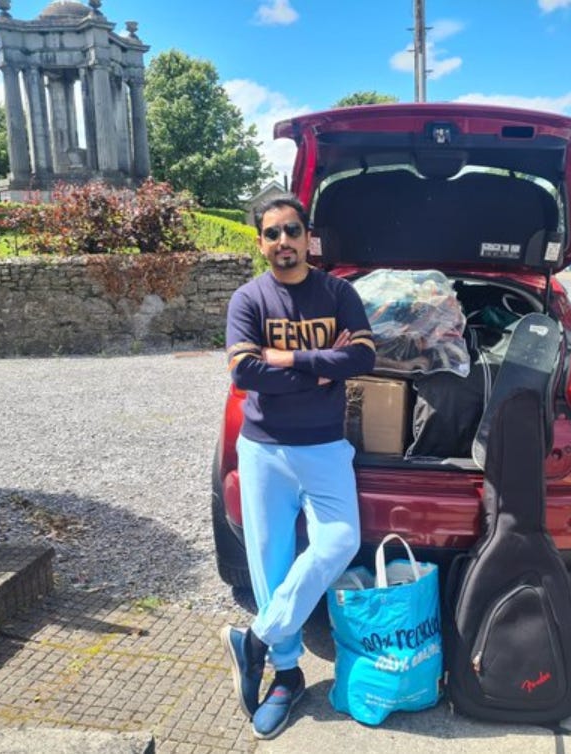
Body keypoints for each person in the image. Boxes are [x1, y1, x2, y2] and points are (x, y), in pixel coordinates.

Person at [222, 194, 376, 739]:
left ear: (309, 237)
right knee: (270, 564)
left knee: (340, 540)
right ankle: (286, 675)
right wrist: (321, 369)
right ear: (260, 242)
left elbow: (362, 356)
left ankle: (254, 640)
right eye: (272, 233)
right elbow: (245, 372)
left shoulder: (338, 293)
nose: (283, 241)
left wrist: (287, 358)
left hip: (325, 447)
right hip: (263, 450)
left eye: (292, 230)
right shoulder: (248, 299)